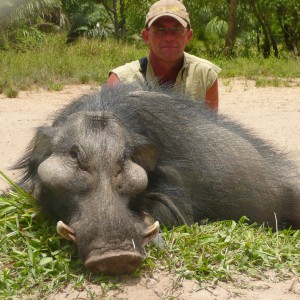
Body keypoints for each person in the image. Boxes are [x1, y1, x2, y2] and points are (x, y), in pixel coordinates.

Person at [107, 0, 221, 111]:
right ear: (146, 36)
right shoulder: (120, 81)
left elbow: (209, 128)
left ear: (188, 36)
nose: (169, 38)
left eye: (177, 29)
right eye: (159, 29)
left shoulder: (205, 75)